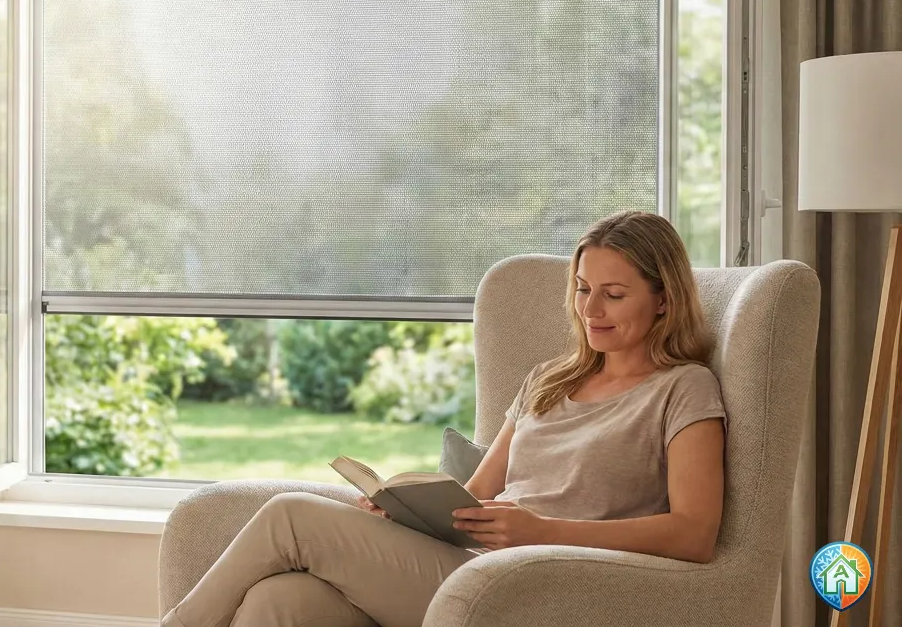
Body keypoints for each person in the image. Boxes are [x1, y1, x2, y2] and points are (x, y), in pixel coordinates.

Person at [160, 210, 729, 627]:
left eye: (613, 294)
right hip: (466, 568)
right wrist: (406, 510)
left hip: (543, 583)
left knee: (289, 517)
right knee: (277, 603)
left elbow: (695, 533)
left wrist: (542, 530)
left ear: (663, 299)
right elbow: (474, 499)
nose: (590, 310)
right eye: (582, 289)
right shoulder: (548, 379)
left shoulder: (683, 389)